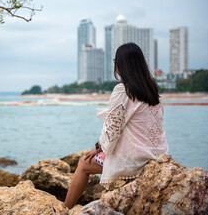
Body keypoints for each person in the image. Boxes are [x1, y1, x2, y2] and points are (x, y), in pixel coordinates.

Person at [64, 42, 169, 209]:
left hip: (136, 158)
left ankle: (65, 209)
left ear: (122, 65)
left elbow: (112, 130)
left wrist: (98, 147)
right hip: (156, 153)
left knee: (83, 163)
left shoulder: (123, 90)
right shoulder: (152, 90)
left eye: (115, 61)